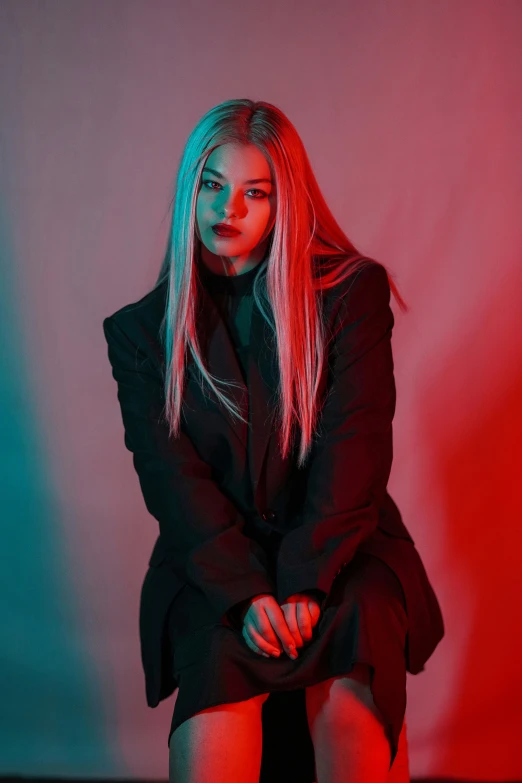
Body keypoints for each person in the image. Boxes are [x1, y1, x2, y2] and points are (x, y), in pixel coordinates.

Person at [102, 98, 444, 783]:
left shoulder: (350, 295)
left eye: (254, 192)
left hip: (342, 548)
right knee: (215, 702)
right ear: (188, 191)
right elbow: (174, 484)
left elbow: (357, 450)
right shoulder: (141, 334)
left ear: (282, 201)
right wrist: (249, 592)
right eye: (211, 184)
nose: (227, 208)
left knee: (355, 679)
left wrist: (303, 585)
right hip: (217, 563)